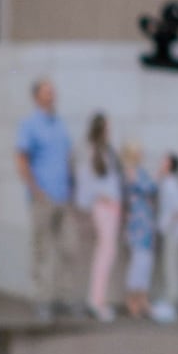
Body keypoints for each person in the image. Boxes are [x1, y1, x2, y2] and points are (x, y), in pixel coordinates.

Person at [15, 78, 82, 317]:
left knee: (69, 248)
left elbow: (68, 159)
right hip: (42, 198)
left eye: (53, 91)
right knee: (42, 250)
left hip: (63, 199)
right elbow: (21, 159)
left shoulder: (60, 124)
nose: (52, 95)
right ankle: (42, 299)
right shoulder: (29, 125)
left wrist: (73, 192)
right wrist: (35, 190)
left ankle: (65, 298)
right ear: (36, 97)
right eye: (47, 92)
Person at [77, 113, 124, 318]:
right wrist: (98, 197)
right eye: (106, 127)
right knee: (106, 252)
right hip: (103, 207)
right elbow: (85, 182)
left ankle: (97, 298)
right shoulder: (91, 152)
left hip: (113, 206)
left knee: (107, 252)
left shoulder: (108, 151)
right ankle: (97, 300)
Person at [119, 143, 160, 316]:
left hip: (146, 221)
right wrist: (158, 178)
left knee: (146, 262)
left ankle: (143, 299)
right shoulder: (130, 171)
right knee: (138, 262)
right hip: (137, 222)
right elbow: (148, 188)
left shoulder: (139, 171)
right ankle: (132, 300)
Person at [154, 150, 178, 318]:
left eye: (164, 161)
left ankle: (171, 302)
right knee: (169, 266)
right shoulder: (168, 182)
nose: (161, 164)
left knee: (171, 267)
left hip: (173, 232)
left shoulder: (170, 184)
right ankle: (168, 300)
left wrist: (168, 225)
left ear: (169, 165)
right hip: (171, 231)